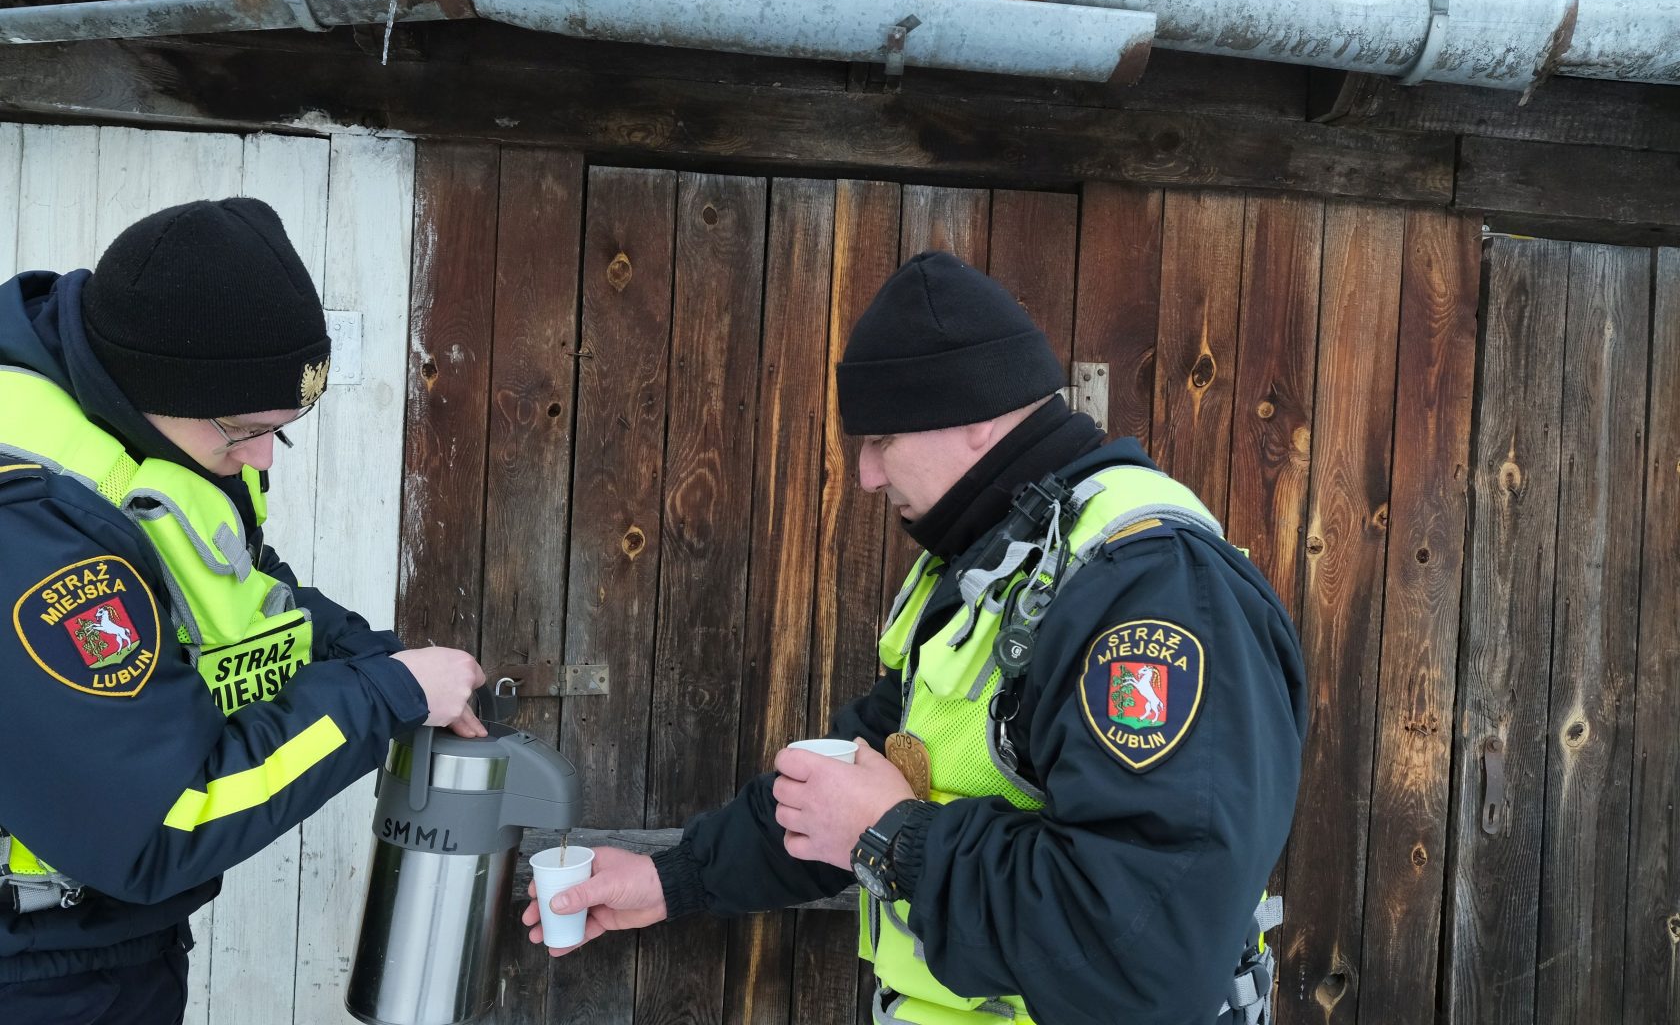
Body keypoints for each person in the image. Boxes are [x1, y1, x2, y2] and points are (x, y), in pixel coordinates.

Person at [523, 250, 1308, 1024]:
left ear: (977, 418)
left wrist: (891, 837)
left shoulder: (1154, 594)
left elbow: (1142, 951)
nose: (865, 475)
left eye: (882, 440)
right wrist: (673, 880)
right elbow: (847, 780)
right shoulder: (992, 564)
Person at [0, 198, 486, 1024]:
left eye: (282, 432)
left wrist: (371, 654)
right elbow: (161, 823)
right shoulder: (32, 533)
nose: (261, 457)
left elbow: (231, 586)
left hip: (108, 947)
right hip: (37, 976)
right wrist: (384, 697)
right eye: (244, 430)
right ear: (153, 384)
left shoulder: (142, 432)